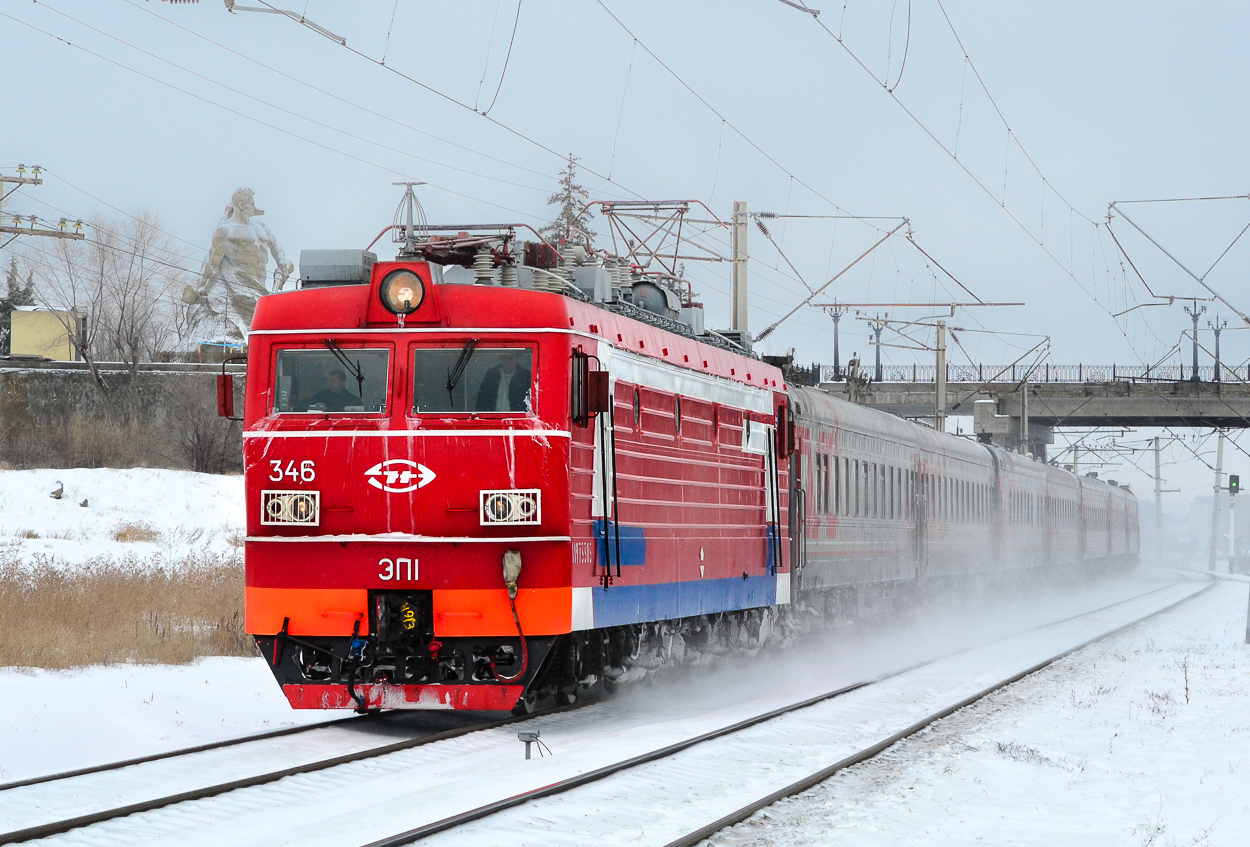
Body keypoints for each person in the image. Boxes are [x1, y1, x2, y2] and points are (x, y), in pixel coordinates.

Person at [184, 188, 293, 341]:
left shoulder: (261, 227)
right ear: (241, 205)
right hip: (239, 288)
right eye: (251, 204)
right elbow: (213, 264)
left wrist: (282, 265)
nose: (254, 207)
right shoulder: (226, 231)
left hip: (260, 289)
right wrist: (203, 288)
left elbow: (276, 246)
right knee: (252, 333)